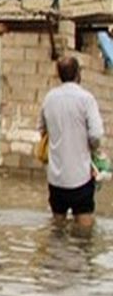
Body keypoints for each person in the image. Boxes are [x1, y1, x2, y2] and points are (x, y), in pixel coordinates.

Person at [39, 56, 104, 229]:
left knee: (56, 230)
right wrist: (93, 151)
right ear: (78, 73)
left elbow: (42, 130)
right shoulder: (86, 99)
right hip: (80, 178)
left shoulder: (49, 98)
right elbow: (96, 135)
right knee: (84, 234)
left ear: (59, 75)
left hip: (56, 179)